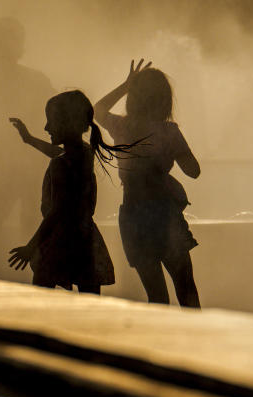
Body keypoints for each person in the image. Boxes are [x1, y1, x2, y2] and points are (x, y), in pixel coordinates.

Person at [94, 60, 201, 308]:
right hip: (165, 215)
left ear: (134, 97)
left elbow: (97, 110)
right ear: (165, 100)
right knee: (186, 289)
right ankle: (197, 341)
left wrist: (124, 85)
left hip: (133, 217)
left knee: (156, 297)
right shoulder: (169, 132)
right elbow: (193, 171)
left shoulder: (122, 126)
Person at [7, 90, 132, 293]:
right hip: (86, 239)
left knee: (41, 299)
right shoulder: (84, 153)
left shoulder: (61, 164)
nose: (46, 127)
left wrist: (31, 247)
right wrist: (29, 139)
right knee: (90, 305)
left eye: (51, 121)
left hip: (59, 241)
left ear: (68, 122)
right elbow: (60, 152)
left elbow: (57, 210)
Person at [0, 18, 54, 265]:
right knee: (0, 219)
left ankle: (27, 273)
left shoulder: (29, 80)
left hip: (25, 158)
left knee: (16, 218)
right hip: (14, 158)